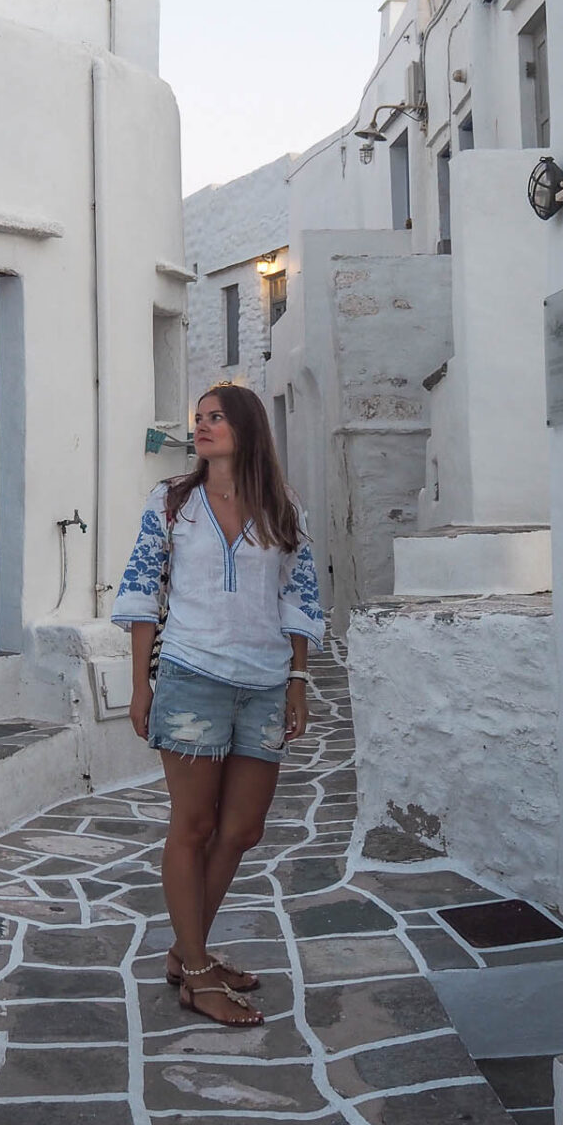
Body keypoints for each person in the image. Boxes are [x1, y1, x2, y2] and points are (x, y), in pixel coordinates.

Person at [111, 383, 326, 1026]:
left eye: (216, 418)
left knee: (242, 829)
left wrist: (297, 681)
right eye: (198, 419)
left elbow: (299, 598)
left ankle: (188, 952)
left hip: (263, 683)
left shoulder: (282, 508)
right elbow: (142, 587)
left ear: (247, 428)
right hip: (191, 675)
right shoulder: (173, 502)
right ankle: (198, 971)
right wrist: (141, 683)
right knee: (193, 825)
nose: (202, 427)